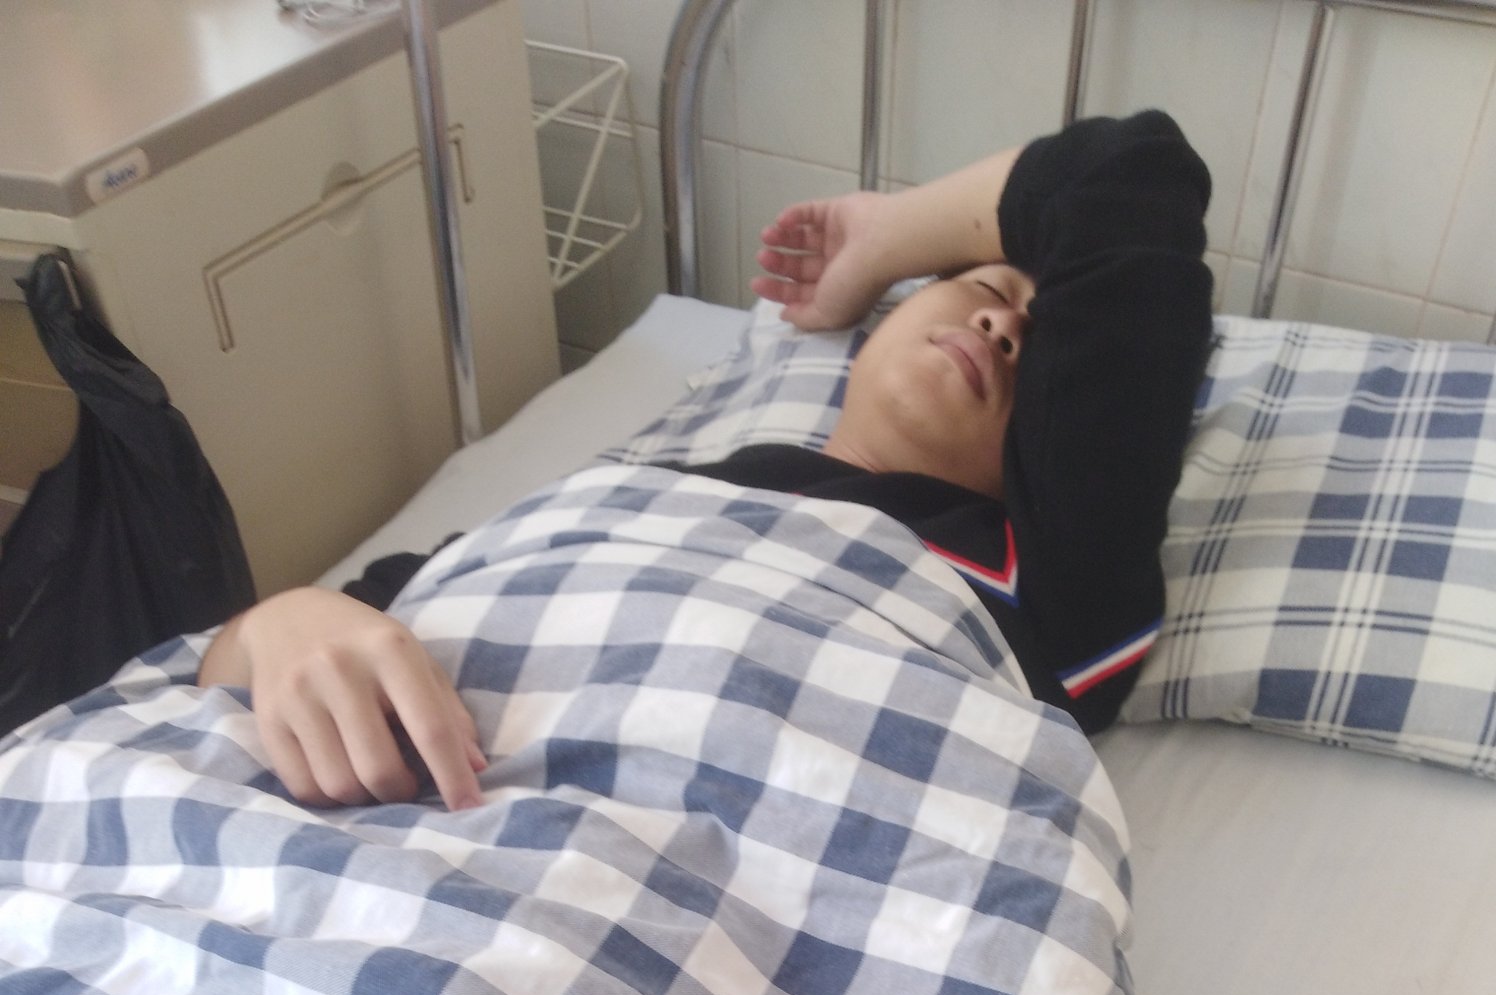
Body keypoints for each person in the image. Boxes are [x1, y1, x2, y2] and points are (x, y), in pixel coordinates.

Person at [197, 111, 1212, 808]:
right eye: (984, 288)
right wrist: (287, 619)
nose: (1000, 324)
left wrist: (884, 239)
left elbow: (1127, 176)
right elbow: (239, 661)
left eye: (1043, 343)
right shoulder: (641, 491)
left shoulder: (1051, 569)